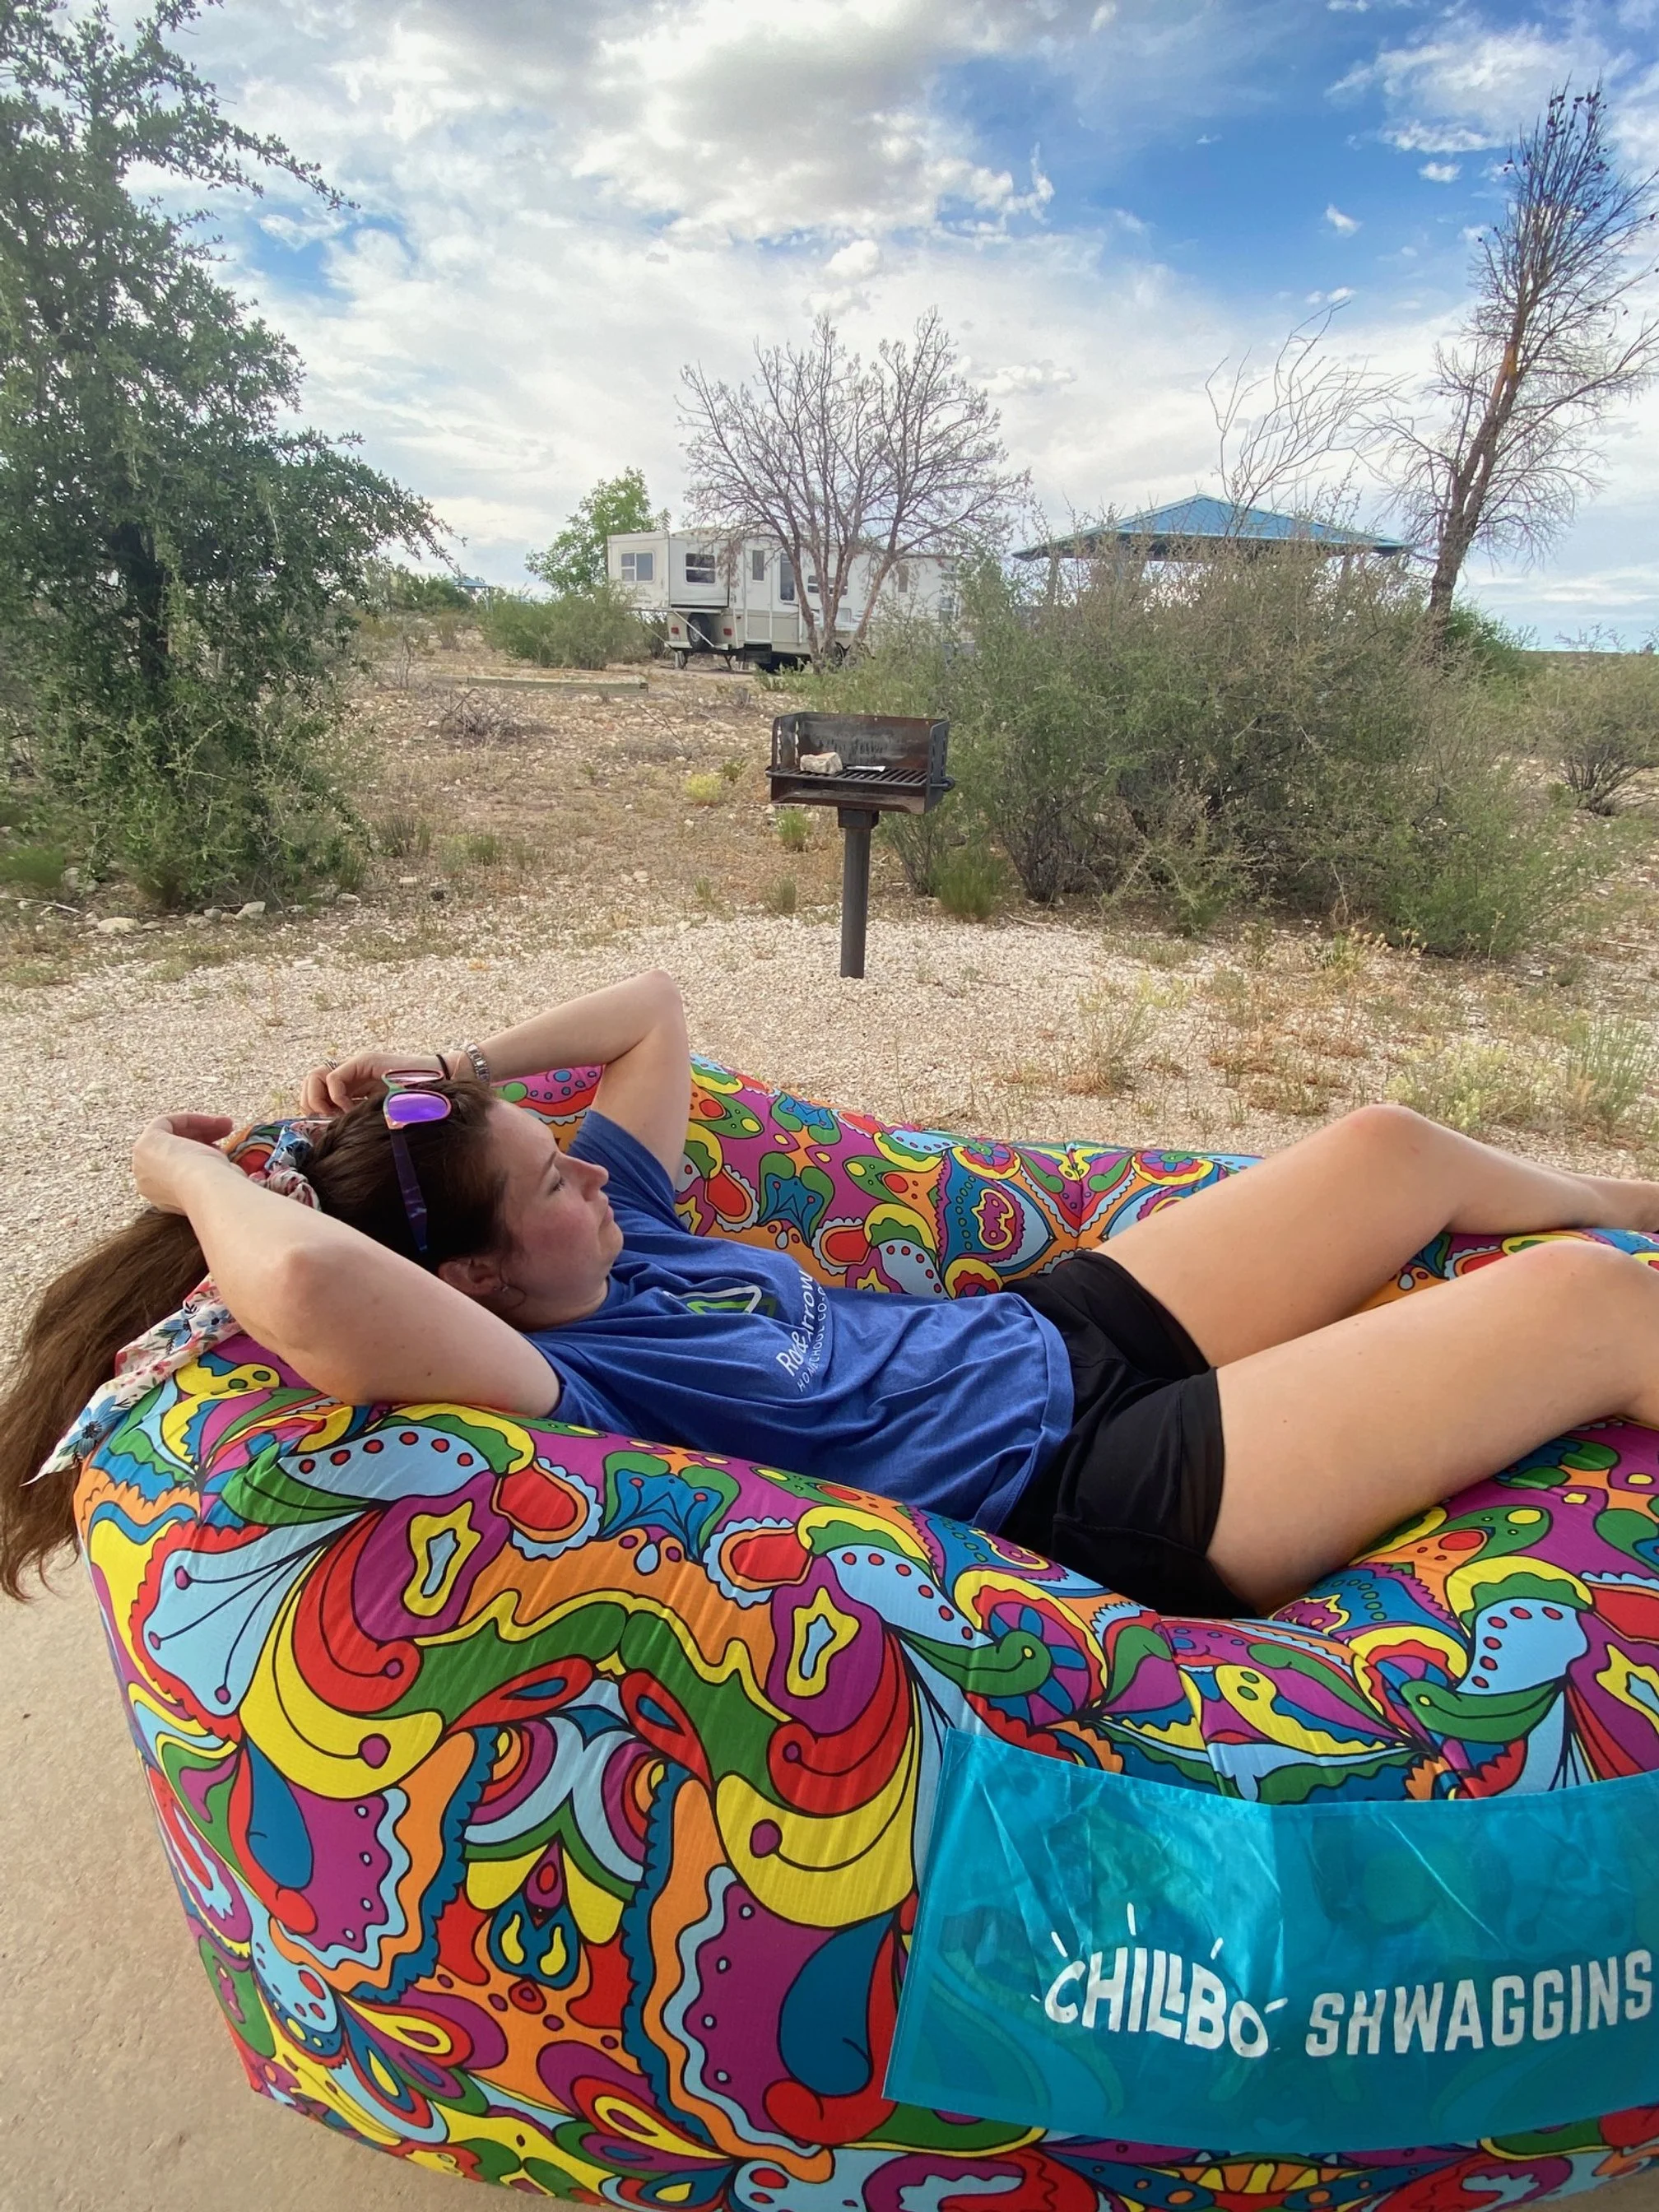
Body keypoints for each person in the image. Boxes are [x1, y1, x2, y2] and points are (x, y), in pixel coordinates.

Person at [6, 966, 1659, 1620]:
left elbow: (657, 1012)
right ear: (476, 1280)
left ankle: (1621, 1192)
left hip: (1043, 1333)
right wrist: (185, 1170)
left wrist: (453, 1074)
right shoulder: (543, 1382)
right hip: (1083, 1493)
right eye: (547, 1179)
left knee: (1383, 1147)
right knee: (1587, 1311)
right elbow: (299, 1278)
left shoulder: (614, 1229)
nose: (593, 1167)